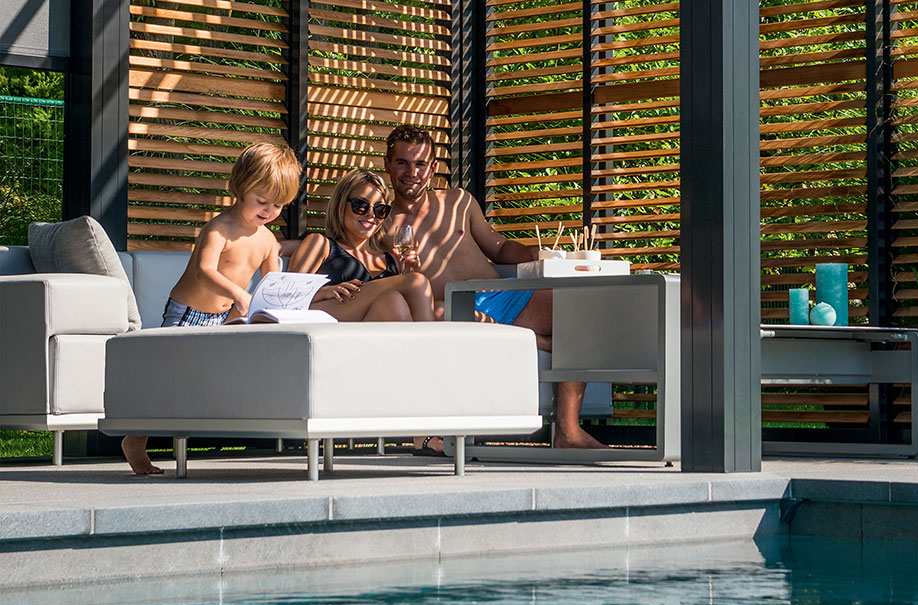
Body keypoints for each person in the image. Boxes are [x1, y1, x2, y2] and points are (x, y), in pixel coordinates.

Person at [121, 139, 354, 476]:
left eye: (278, 206)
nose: (269, 211)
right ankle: (136, 439)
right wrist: (241, 294)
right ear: (240, 188)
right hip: (188, 313)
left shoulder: (267, 240)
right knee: (170, 378)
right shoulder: (219, 229)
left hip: (225, 315)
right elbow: (204, 272)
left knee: (215, 375)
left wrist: (323, 293)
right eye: (262, 201)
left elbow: (275, 287)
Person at [379, 124, 604, 452]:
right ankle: (538, 342)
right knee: (438, 313)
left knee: (574, 305)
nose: (412, 172)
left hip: (507, 295)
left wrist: (533, 253)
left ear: (433, 167)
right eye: (402, 163)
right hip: (454, 307)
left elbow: (497, 249)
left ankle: (568, 431)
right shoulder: (382, 225)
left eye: (420, 164)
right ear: (387, 164)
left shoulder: (459, 202)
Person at [287, 168, 435, 325]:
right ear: (341, 204)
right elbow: (285, 296)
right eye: (361, 205)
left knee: (393, 301)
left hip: (371, 340)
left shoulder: (392, 260)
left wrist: (407, 272)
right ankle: (436, 347)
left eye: (380, 209)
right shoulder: (321, 244)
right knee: (417, 282)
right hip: (330, 325)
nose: (371, 215)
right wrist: (323, 291)